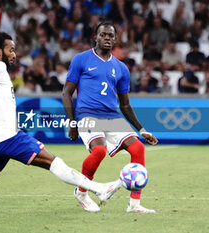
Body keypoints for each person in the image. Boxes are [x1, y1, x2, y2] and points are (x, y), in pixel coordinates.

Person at [0, 31, 121, 217]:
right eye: (11, 50)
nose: (14, 54)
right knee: (54, 162)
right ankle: (99, 189)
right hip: (8, 137)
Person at [62, 22, 158, 214]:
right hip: (87, 114)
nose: (107, 38)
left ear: (115, 39)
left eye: (111, 36)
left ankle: (134, 205)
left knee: (138, 147)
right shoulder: (81, 59)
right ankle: (81, 192)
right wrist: (72, 122)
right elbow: (66, 93)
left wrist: (141, 130)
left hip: (111, 116)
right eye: (103, 34)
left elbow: (125, 105)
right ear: (95, 36)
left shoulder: (121, 68)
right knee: (99, 151)